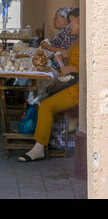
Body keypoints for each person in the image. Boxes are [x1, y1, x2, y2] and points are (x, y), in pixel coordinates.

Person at [18, 8, 80, 162]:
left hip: (77, 89)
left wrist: (67, 67)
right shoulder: (78, 41)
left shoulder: (86, 41)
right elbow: (68, 58)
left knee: (46, 105)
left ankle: (39, 147)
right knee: (43, 101)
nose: (69, 25)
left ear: (79, 20)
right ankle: (39, 143)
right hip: (71, 85)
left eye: (71, 21)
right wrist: (60, 60)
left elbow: (82, 67)